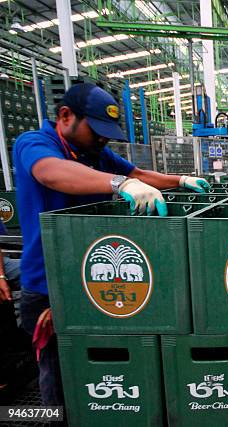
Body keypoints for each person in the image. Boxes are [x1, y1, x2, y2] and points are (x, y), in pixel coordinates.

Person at [12, 83, 209, 407]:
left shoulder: (96, 153)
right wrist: (120, 184)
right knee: (62, 375)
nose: (103, 139)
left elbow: (138, 173)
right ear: (66, 116)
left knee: (105, 372)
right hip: (51, 287)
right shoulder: (35, 144)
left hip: (99, 281)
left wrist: (180, 181)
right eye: (96, 130)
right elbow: (51, 173)